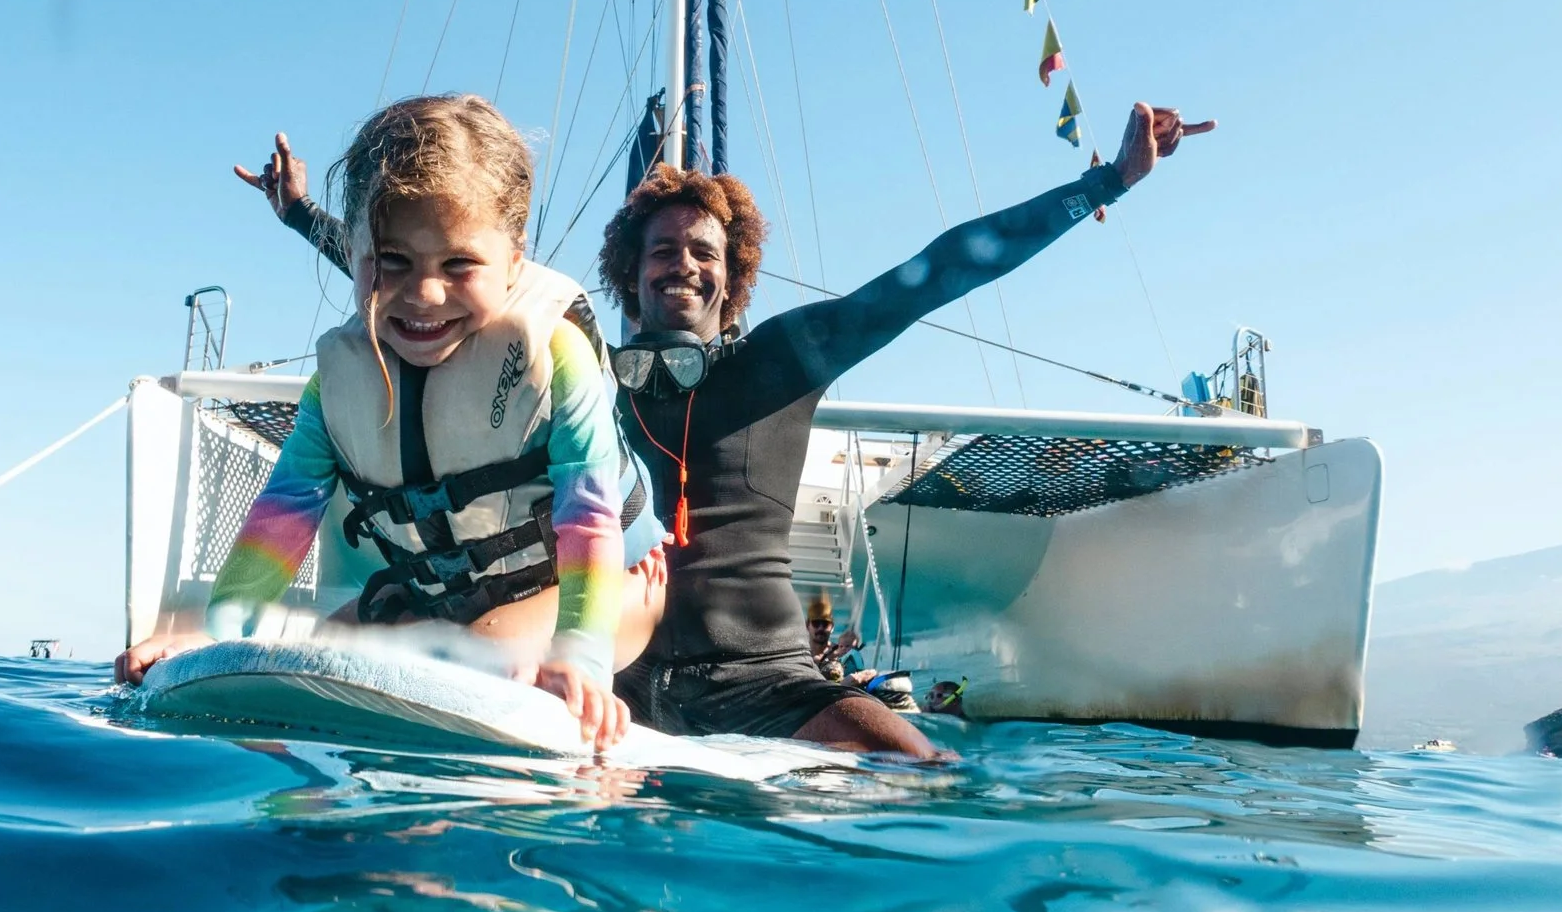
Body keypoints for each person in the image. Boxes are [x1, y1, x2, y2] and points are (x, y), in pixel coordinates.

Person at [240, 102, 1212, 759]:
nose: (681, 264)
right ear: (629, 267)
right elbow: (429, 283)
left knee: (920, 774)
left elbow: (943, 266)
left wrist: (1106, 181)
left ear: (732, 268)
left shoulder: (784, 358)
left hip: (766, 678)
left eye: (702, 250)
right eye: (660, 248)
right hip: (610, 670)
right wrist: (303, 218)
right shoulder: (572, 372)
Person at [117, 94, 636, 746]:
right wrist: (217, 634)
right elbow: (281, 515)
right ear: (354, 247)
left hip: (574, 589)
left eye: (459, 264)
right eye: (390, 262)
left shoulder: (556, 357)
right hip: (430, 597)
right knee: (296, 670)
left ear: (513, 256)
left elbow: (588, 519)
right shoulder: (333, 388)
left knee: (478, 655)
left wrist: (581, 658)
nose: (422, 295)